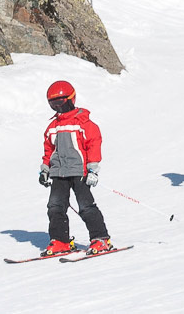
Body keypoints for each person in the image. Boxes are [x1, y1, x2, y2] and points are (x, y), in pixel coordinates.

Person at [37, 81, 115, 257]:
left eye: (61, 102)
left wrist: (93, 169)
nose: (58, 107)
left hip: (79, 172)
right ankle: (60, 241)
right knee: (55, 207)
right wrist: (45, 170)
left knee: (86, 206)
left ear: (71, 99)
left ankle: (100, 238)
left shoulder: (83, 122)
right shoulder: (52, 127)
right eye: (53, 104)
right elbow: (48, 150)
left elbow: (93, 144)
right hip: (58, 172)